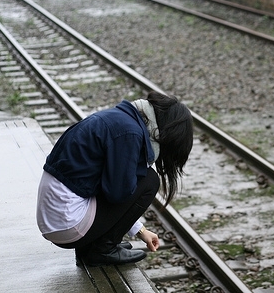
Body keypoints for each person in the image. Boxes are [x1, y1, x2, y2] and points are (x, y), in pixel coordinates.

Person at [36, 91, 193, 266]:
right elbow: (118, 194)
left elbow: (105, 192)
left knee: (137, 178)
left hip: (57, 220)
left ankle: (92, 247)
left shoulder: (121, 120)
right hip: (68, 224)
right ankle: (102, 250)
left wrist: (140, 230)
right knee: (149, 180)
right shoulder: (129, 133)